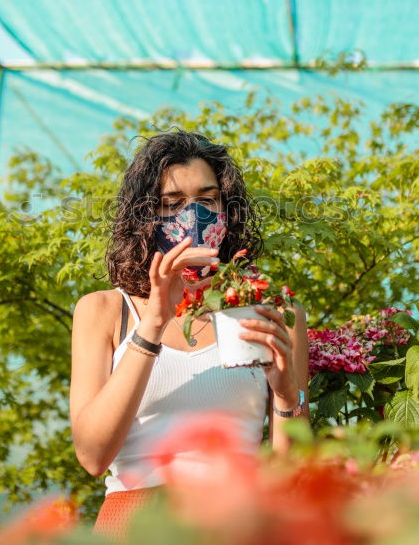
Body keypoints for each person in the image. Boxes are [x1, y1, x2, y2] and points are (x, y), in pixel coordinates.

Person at [69, 129, 309, 537]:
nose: (192, 215)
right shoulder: (105, 311)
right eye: (172, 204)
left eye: (207, 199)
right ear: (145, 216)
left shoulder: (274, 312)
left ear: (227, 210)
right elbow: (92, 455)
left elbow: (297, 481)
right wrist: (153, 325)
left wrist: (288, 396)